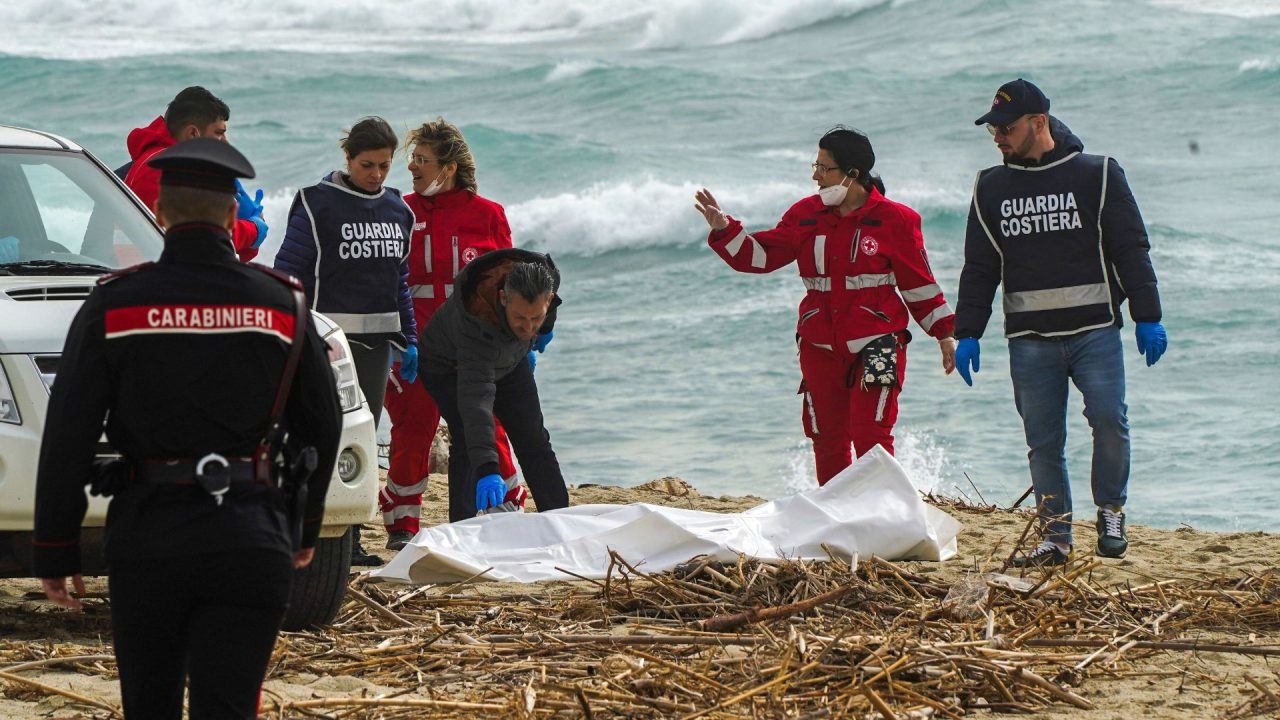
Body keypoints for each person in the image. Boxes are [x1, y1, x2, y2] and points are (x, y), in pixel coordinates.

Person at [33, 138, 342, 718]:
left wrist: (56, 545)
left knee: (149, 705)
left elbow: (68, 432)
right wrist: (303, 528)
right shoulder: (284, 305)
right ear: (232, 215)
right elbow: (321, 428)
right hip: (251, 535)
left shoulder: (115, 305)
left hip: (149, 537)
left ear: (158, 212)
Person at [954, 78, 1168, 567]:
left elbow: (1130, 248)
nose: (998, 137)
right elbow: (980, 266)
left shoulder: (1098, 175)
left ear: (1039, 122)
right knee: (1043, 441)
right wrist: (967, 331)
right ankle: (1055, 536)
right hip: (1029, 340)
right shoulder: (991, 187)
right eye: (993, 130)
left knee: (1110, 421)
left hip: (1095, 330)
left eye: (1006, 128)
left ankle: (1110, 512)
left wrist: (1147, 316)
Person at [694, 127, 957, 486]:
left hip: (879, 343)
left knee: (871, 437)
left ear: (851, 174)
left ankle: (884, 516)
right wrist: (725, 229)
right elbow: (761, 257)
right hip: (819, 347)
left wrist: (945, 335)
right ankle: (836, 520)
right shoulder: (805, 214)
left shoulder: (896, 220)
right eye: (815, 164)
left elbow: (919, 284)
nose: (815, 174)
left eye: (823, 167)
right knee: (827, 440)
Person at [381, 118, 538, 549]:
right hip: (413, 342)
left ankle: (505, 507)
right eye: (412, 158)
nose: (411, 166)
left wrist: (523, 341)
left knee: (487, 422)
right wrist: (393, 340)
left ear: (448, 167)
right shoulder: (398, 210)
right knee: (413, 427)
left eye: (422, 160)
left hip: (476, 346)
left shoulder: (488, 215)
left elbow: (513, 283)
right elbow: (382, 278)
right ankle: (402, 525)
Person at [274, 116, 418, 566]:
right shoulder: (318, 204)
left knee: (360, 437)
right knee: (319, 437)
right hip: (326, 346)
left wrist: (410, 338)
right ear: (348, 158)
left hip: (375, 347)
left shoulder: (400, 211)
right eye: (367, 165)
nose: (376, 174)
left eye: (384, 166)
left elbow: (400, 281)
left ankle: (349, 540)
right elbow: (288, 272)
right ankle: (306, 534)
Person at [419, 248, 569, 523]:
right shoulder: (477, 321)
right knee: (467, 436)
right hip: (447, 366)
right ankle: (462, 527)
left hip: (510, 359)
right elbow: (476, 405)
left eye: (535, 318)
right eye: (520, 318)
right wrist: (489, 469)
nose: (527, 327)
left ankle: (560, 518)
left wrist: (544, 328)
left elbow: (546, 310)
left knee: (532, 436)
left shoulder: (546, 281)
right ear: (502, 298)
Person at [122, 86, 269, 262]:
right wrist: (253, 229)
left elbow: (225, 249)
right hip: (154, 281)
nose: (225, 143)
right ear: (193, 134)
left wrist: (246, 233)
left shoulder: (152, 160)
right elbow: (206, 238)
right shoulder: (166, 170)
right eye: (218, 133)